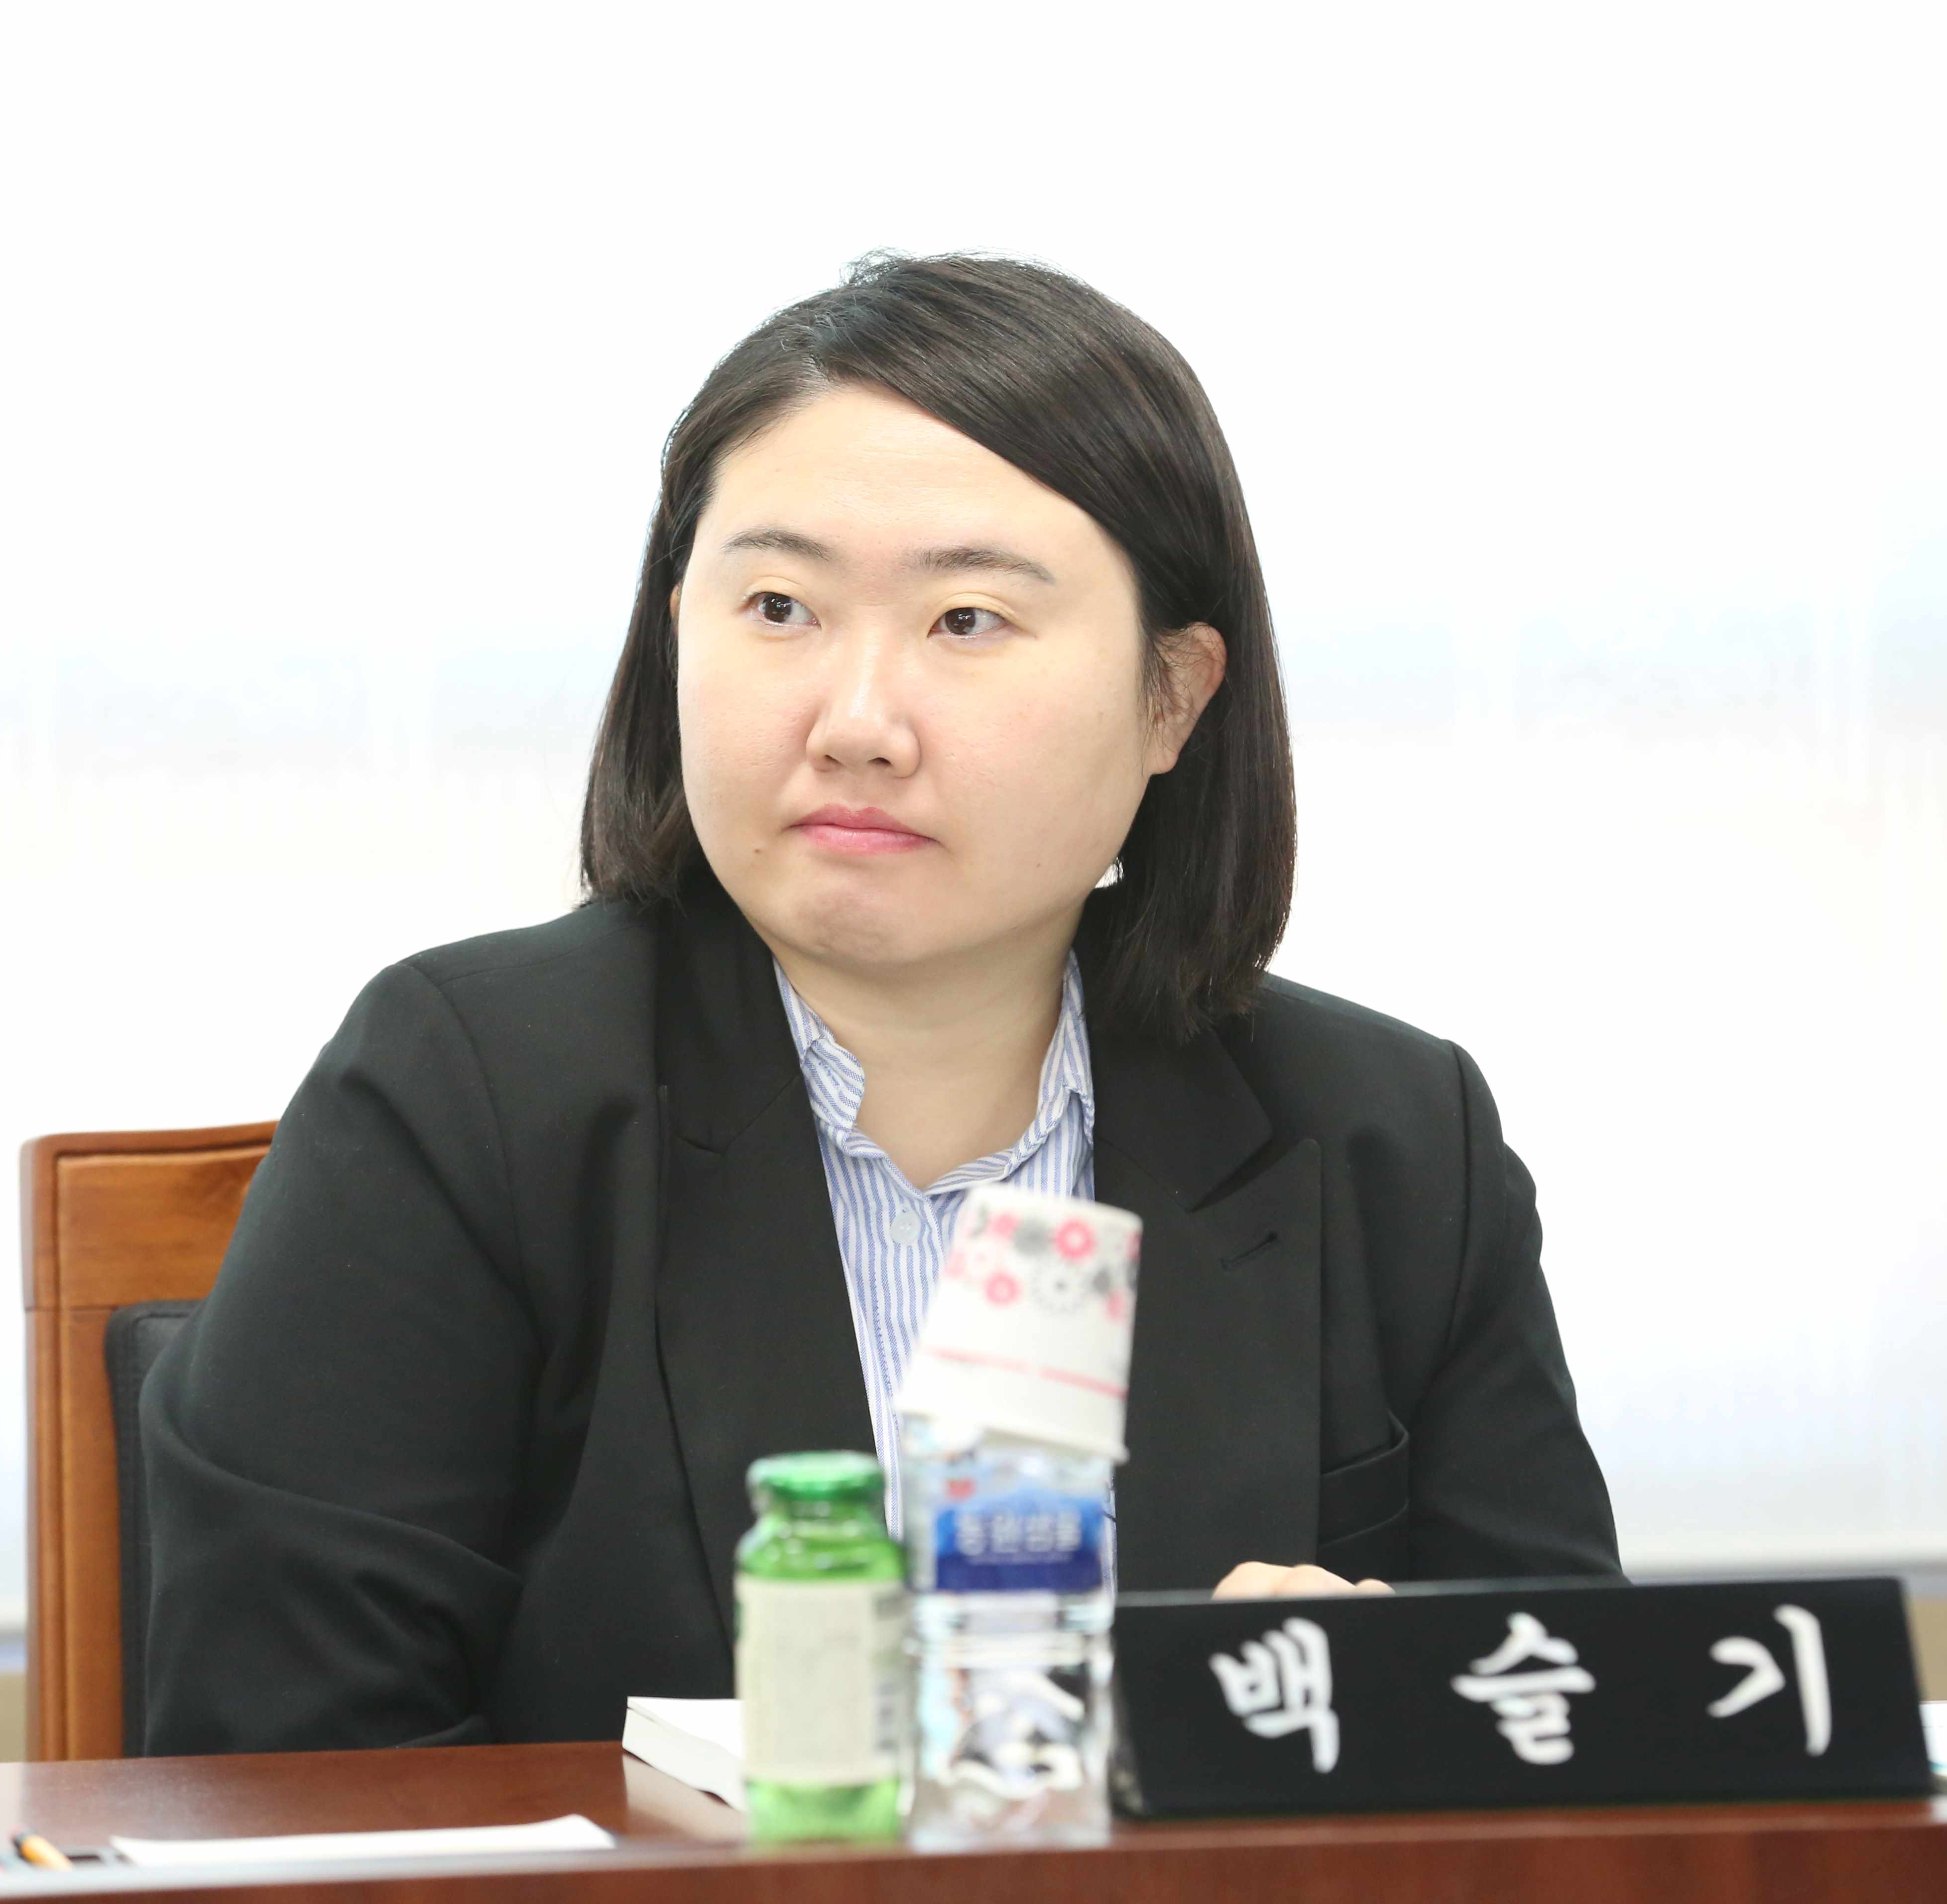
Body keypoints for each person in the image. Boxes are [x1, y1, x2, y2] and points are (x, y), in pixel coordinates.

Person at [140, 253, 1618, 1754]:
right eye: (779, 606)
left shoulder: (1391, 1140)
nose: (857, 725)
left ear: (1172, 696)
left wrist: (1380, 1708)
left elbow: (1584, 1740)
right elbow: (282, 1765)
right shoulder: (463, 1096)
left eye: (966, 621)